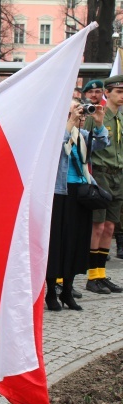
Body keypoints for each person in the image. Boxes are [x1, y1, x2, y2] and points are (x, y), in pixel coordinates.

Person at [45, 98, 109, 311]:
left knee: (76, 242)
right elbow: (56, 150)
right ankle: (51, 291)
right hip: (60, 194)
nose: (80, 112)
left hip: (82, 194)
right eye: (75, 108)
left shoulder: (81, 135)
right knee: (57, 243)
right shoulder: (54, 134)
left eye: (80, 109)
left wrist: (99, 123)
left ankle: (68, 290)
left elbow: (101, 144)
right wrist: (71, 121)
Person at [83, 75, 123, 295]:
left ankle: (101, 273)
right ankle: (91, 276)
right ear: (107, 93)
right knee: (97, 225)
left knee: (109, 226)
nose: (122, 96)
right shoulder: (97, 115)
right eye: (118, 92)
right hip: (100, 173)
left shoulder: (120, 118)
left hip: (118, 174)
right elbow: (86, 144)